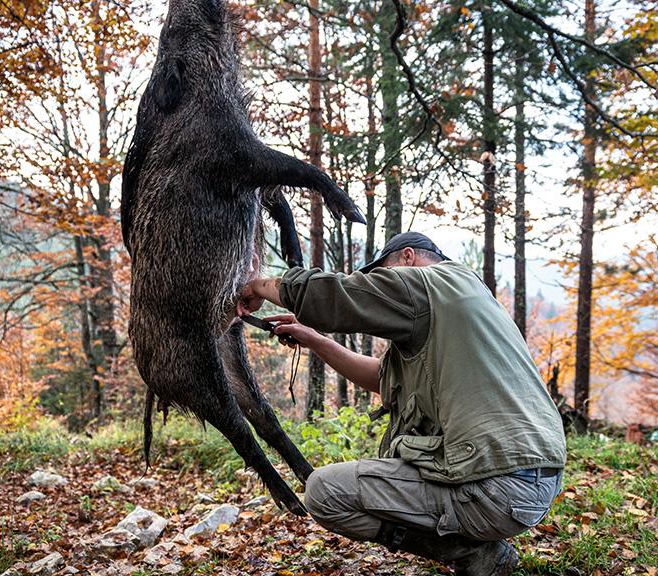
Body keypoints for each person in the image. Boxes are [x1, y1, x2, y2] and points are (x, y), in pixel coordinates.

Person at [237, 231, 566, 576]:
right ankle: (481, 550)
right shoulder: (464, 297)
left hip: (495, 487)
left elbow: (333, 296)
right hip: (535, 482)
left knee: (324, 492)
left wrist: (258, 286)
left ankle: (474, 556)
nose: (379, 285)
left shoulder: (427, 282)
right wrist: (316, 341)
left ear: (407, 258)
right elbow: (383, 378)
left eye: (383, 273)